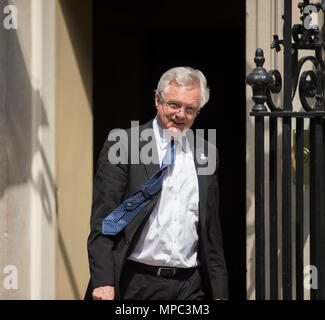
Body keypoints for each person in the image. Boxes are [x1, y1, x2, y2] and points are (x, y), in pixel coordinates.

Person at [85, 66, 228, 300]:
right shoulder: (124, 146)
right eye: (174, 105)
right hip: (136, 282)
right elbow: (104, 221)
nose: (181, 114)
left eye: (190, 109)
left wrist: (220, 291)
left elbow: (211, 229)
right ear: (157, 101)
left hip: (189, 285)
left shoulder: (206, 152)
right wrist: (103, 281)